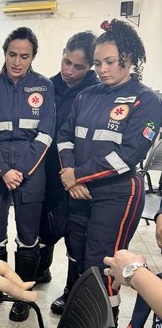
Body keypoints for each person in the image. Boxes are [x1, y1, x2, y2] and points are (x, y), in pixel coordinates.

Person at [57, 18, 162, 325]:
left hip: (116, 195)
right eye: (97, 63)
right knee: (76, 256)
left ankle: (105, 319)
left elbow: (129, 154)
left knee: (101, 264)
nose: (102, 69)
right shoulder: (86, 95)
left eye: (109, 62)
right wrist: (68, 173)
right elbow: (65, 135)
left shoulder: (147, 100)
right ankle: (80, 314)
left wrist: (77, 175)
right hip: (77, 190)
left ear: (128, 59)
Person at [0, 27, 55, 321]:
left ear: (33, 56)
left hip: (31, 175)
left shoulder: (45, 88)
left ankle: (21, 295)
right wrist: (3, 171)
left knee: (28, 238)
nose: (17, 61)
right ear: (5, 52)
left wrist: (18, 171)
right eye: (12, 54)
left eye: (24, 56)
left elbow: (46, 135)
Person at [35, 31, 100, 315]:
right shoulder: (47, 86)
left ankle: (71, 290)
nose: (69, 71)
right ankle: (40, 271)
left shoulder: (96, 92)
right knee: (43, 226)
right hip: (47, 170)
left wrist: (74, 174)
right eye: (66, 62)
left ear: (91, 67)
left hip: (79, 174)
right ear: (62, 53)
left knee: (76, 235)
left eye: (79, 66)